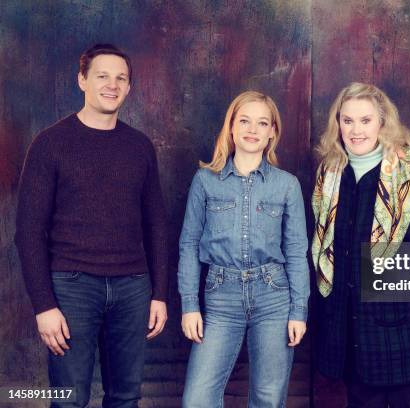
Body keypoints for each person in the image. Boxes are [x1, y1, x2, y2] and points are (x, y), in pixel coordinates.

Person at [15, 44, 169, 407]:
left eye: (121, 78)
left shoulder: (140, 147)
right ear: (82, 79)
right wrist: (43, 306)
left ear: (129, 87)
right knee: (69, 399)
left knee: (126, 397)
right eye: (102, 76)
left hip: (133, 288)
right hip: (71, 288)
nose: (111, 85)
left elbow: (156, 225)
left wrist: (159, 293)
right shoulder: (50, 144)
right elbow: (28, 232)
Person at [312, 82, 410, 407]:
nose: (356, 130)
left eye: (366, 120)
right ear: (337, 124)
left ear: (382, 123)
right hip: (353, 328)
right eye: (347, 120)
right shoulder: (330, 174)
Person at [178, 91, 310, 407]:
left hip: (274, 295)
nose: (252, 129)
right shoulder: (205, 180)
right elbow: (189, 244)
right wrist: (189, 304)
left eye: (262, 123)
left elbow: (295, 250)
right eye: (245, 121)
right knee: (198, 399)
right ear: (232, 128)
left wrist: (299, 311)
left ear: (272, 133)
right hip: (221, 295)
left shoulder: (287, 184)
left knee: (267, 396)